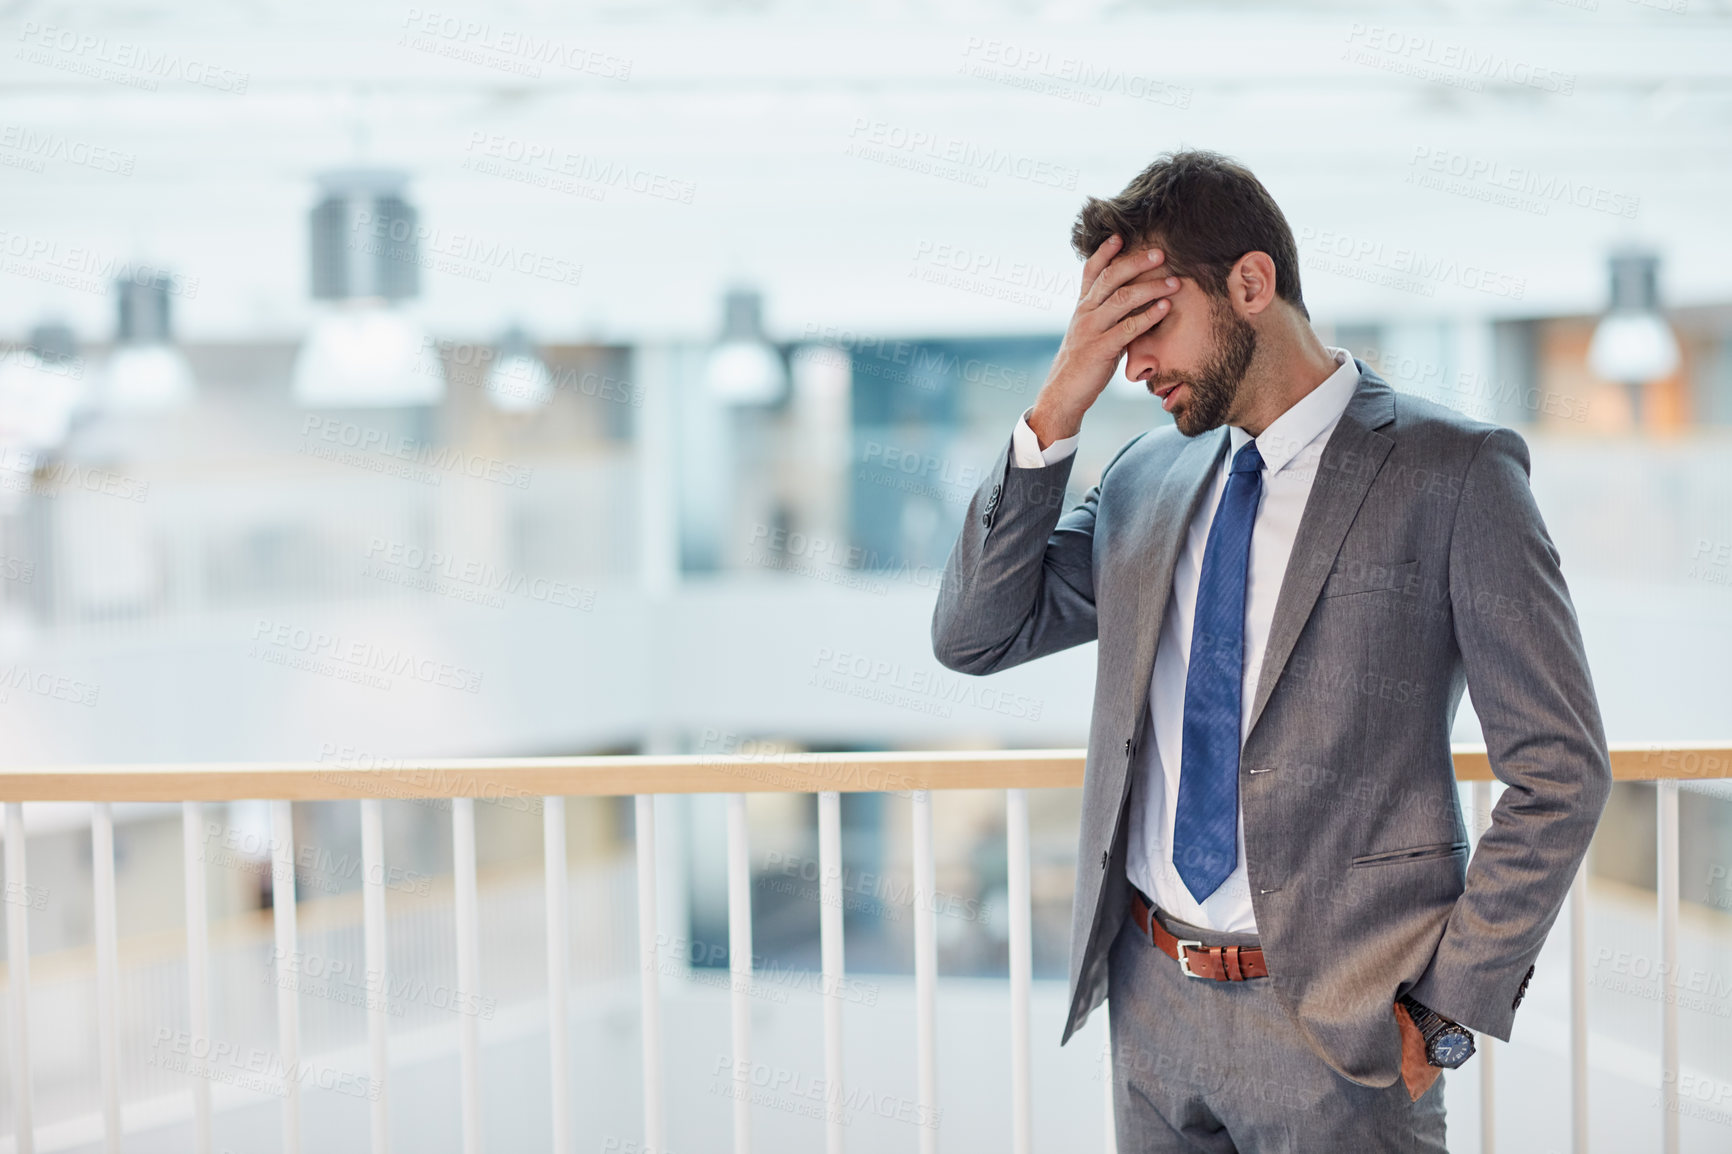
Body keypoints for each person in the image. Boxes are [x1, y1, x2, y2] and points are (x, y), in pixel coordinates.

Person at [930, 149, 1611, 1151]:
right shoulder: (1143, 477)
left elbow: (1559, 767)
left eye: (1145, 320)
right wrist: (1057, 406)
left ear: (1249, 284)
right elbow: (973, 633)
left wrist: (1444, 1009)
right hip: (1152, 1006)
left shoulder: (1452, 471)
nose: (1131, 363)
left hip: (1345, 1033)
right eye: (1105, 334)